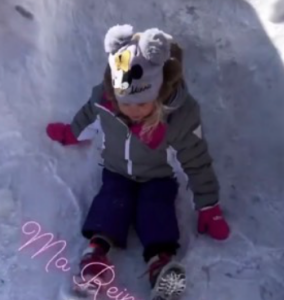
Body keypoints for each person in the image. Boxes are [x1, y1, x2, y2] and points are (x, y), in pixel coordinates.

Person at [46, 24, 230, 300]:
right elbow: (86, 118)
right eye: (126, 103)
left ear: (158, 93)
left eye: (142, 103)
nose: (133, 110)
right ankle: (96, 256)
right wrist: (69, 134)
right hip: (117, 171)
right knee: (111, 201)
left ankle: (161, 264)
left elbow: (196, 159)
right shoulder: (104, 102)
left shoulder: (179, 116)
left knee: (156, 209)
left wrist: (209, 205)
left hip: (158, 176)